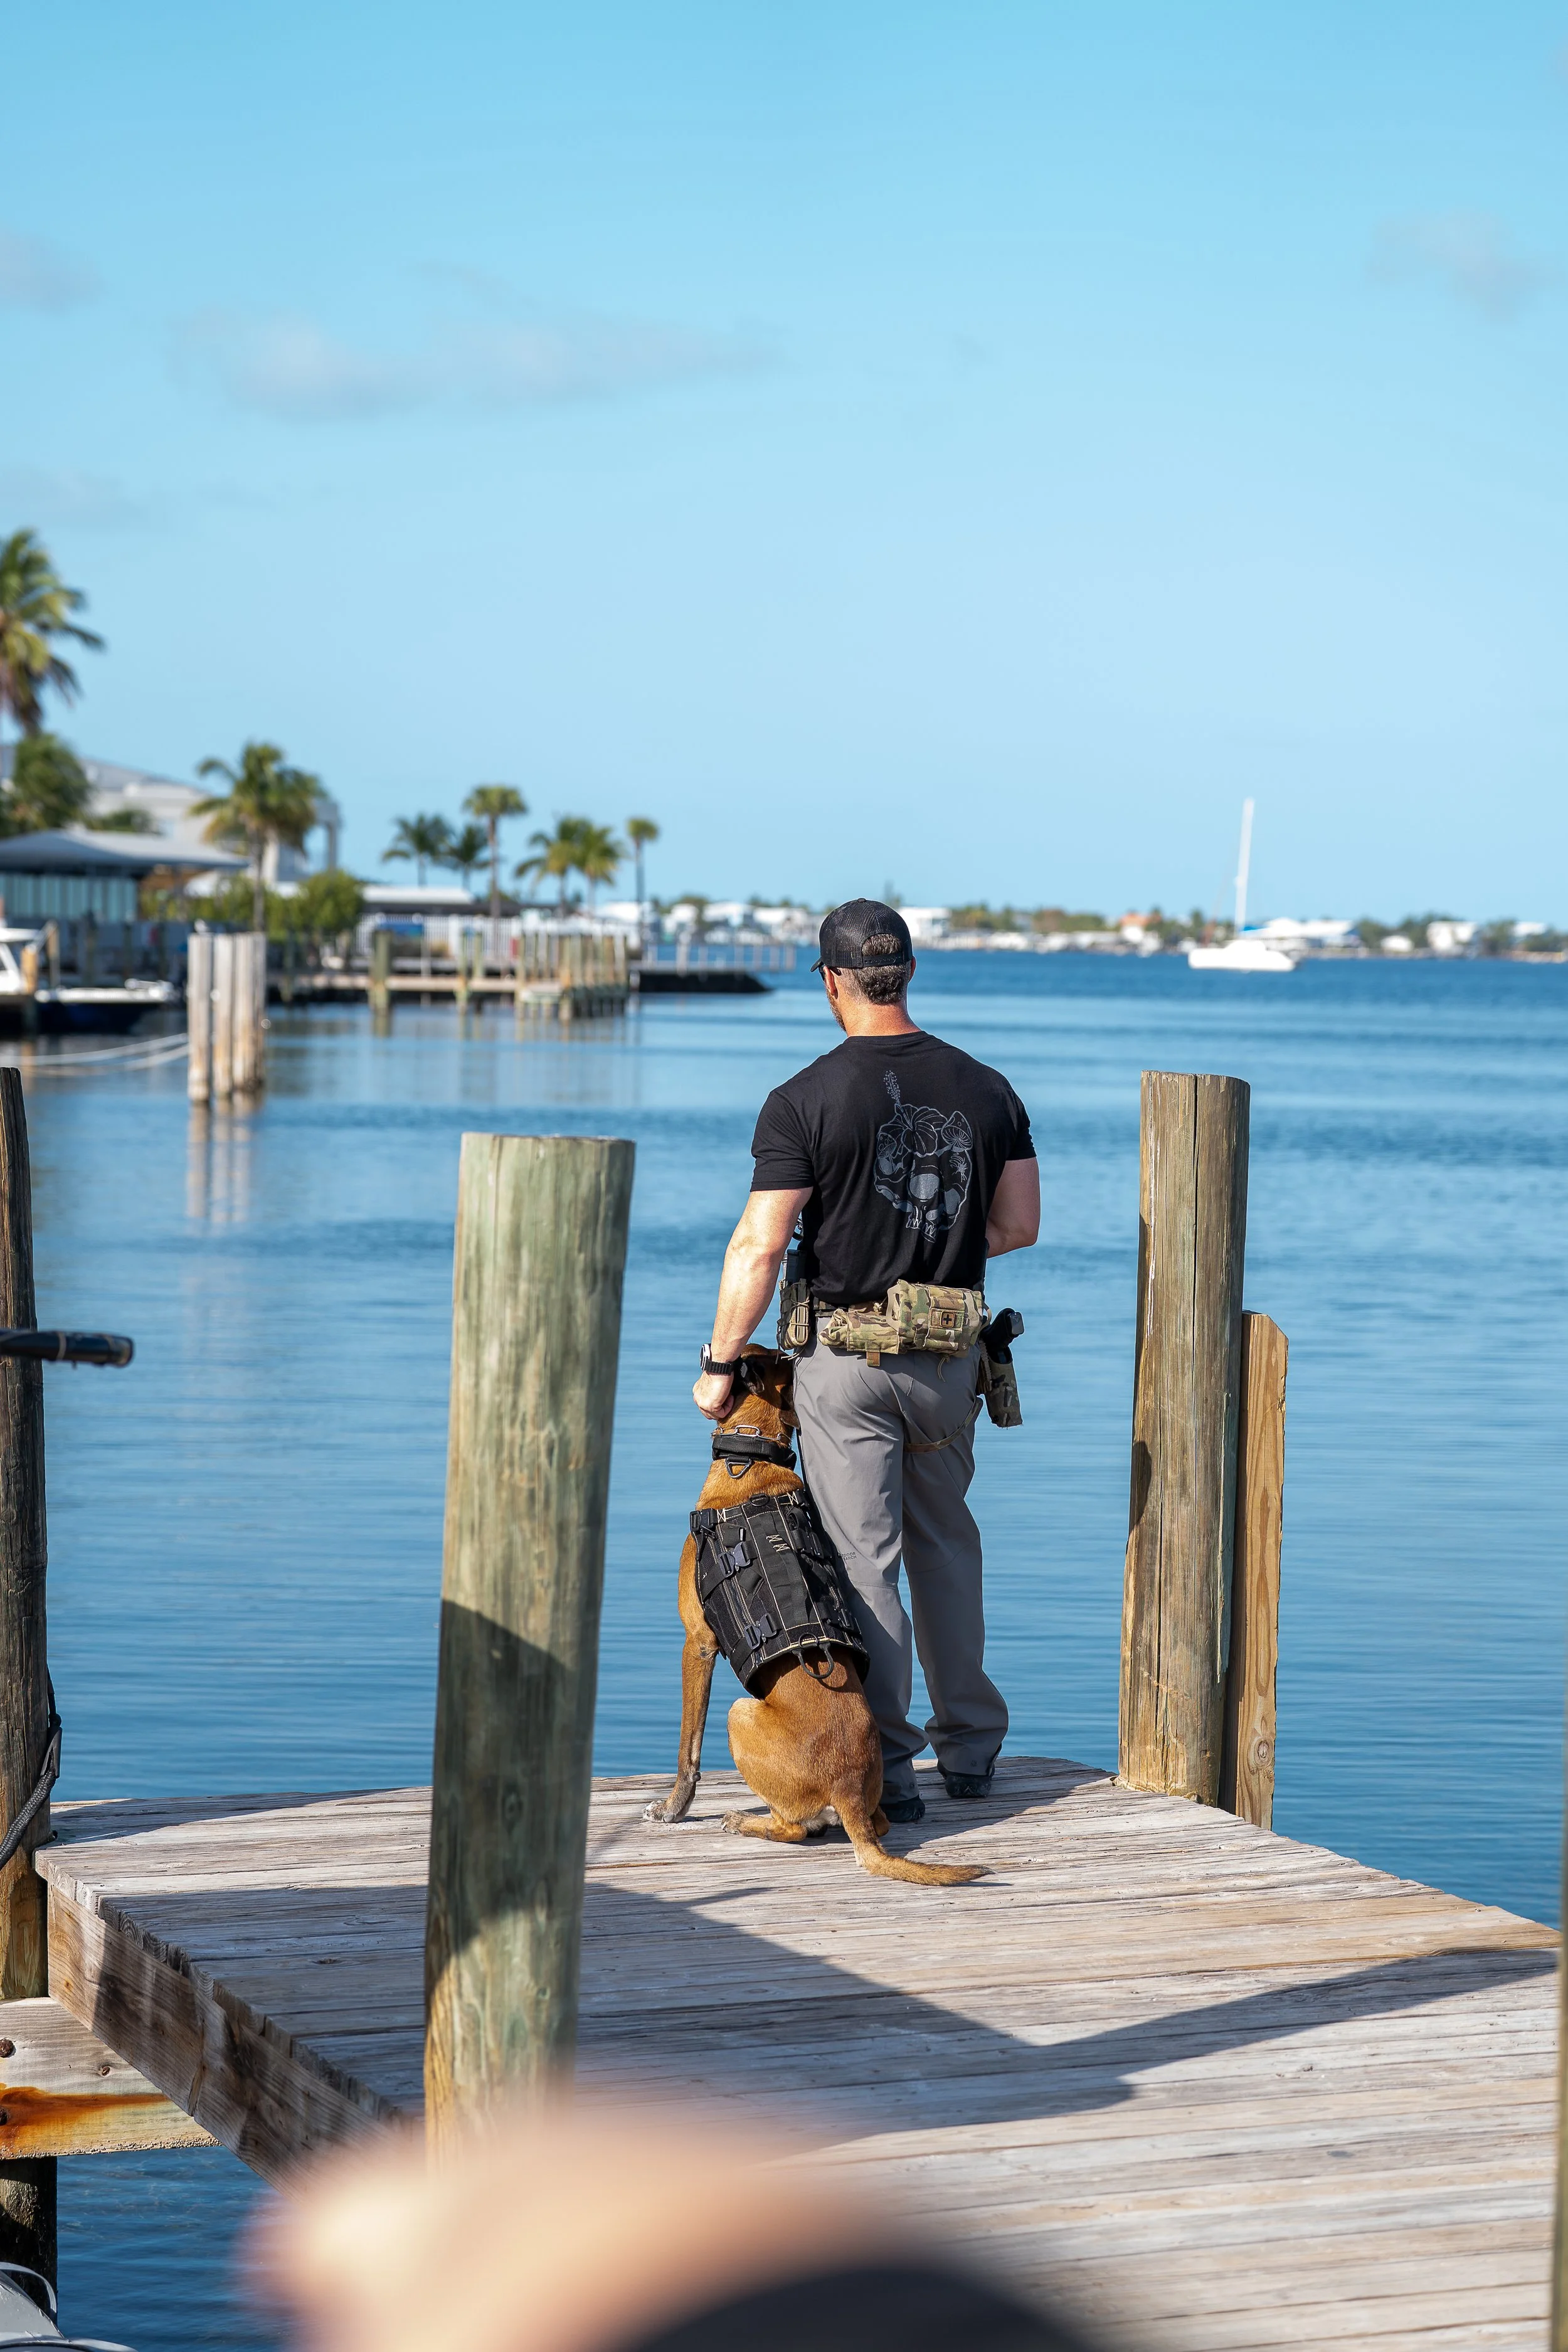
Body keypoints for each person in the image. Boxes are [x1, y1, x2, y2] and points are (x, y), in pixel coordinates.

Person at [692, 899, 1039, 1821]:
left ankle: (887, 1761)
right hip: (951, 1359)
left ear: (831, 980)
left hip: (843, 1365)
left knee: (864, 1560)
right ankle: (971, 1748)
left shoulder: (803, 1098)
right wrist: (937, 1251)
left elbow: (759, 1248)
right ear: (909, 972)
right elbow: (1019, 1225)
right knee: (946, 1545)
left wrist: (720, 1361)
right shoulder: (989, 1087)